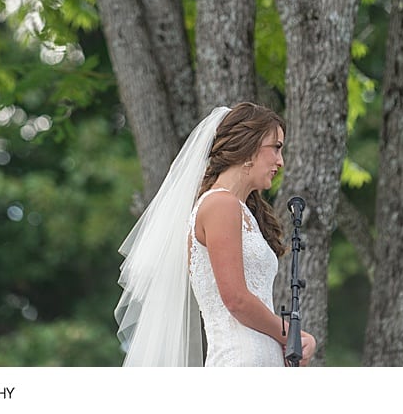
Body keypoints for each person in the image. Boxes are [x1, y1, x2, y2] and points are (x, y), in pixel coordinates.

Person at [115, 102, 317, 366]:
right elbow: (236, 300)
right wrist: (292, 334)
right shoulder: (220, 205)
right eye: (276, 147)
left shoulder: (240, 211)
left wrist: (289, 343)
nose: (281, 161)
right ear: (249, 146)